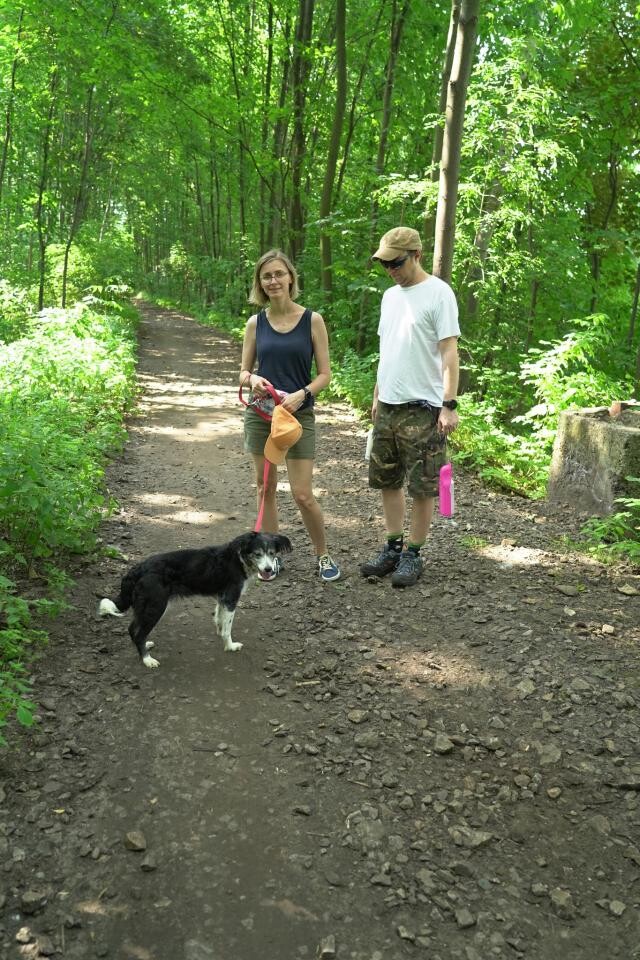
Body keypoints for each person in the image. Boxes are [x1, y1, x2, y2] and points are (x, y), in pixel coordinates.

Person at [360, 226, 460, 588]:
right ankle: (392, 547)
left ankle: (413, 554)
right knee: (387, 481)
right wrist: (377, 395)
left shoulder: (439, 293)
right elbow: (387, 350)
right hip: (387, 405)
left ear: (416, 255)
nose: (390, 269)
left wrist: (449, 404)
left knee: (422, 486)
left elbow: (449, 352)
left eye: (396, 262)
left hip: (423, 407)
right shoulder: (390, 297)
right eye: (384, 264)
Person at [239, 249, 341, 582]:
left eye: (279, 274)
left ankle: (323, 555)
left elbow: (325, 374)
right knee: (265, 487)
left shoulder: (312, 320)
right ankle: (271, 558)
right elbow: (243, 372)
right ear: (260, 283)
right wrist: (253, 379)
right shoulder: (255, 324)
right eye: (266, 276)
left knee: (302, 494)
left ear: (291, 278)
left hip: (298, 416)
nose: (273, 281)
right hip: (262, 414)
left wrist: (303, 393)